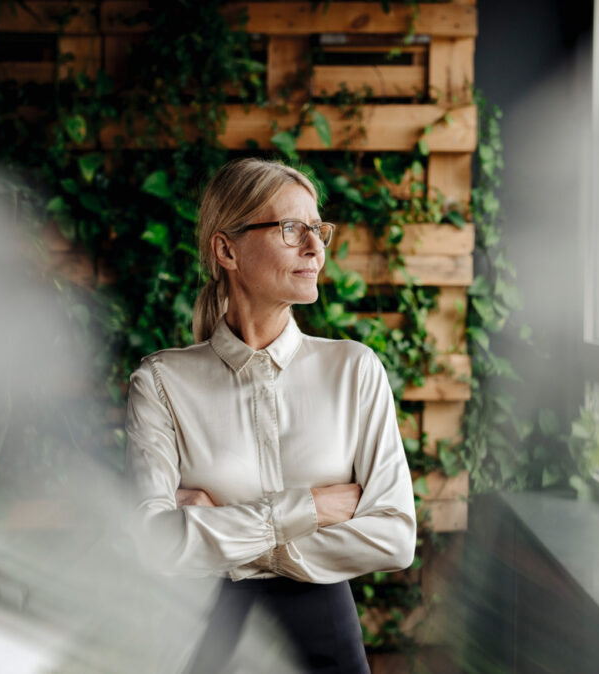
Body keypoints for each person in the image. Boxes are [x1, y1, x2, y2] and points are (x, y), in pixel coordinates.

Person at [124, 157, 417, 672]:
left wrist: (217, 532)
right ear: (226, 249)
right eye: (290, 229)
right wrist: (311, 509)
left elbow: (394, 537)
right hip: (206, 639)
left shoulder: (354, 370)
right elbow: (153, 544)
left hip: (328, 641)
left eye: (317, 229)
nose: (315, 247)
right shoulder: (161, 383)